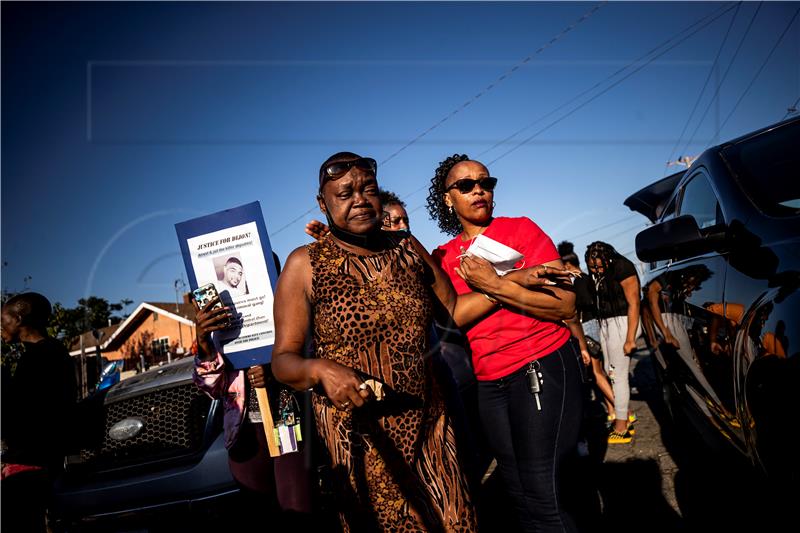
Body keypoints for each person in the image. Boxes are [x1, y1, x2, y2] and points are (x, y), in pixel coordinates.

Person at [272, 152, 477, 532]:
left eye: (368, 189)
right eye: (344, 194)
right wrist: (319, 369)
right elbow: (283, 360)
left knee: (457, 523)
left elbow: (453, 310)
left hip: (430, 424)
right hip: (363, 443)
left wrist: (512, 287)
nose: (360, 200)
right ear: (323, 203)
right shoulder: (305, 264)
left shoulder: (406, 247)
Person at [426, 154, 582, 532]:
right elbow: (453, 316)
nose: (478, 189)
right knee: (519, 497)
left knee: (544, 495)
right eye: (465, 185)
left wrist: (494, 283)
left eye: (486, 182)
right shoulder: (442, 257)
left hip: (541, 361)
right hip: (489, 383)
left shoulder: (521, 230)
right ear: (448, 198)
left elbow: (565, 303)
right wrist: (518, 281)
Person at [192, 253, 314, 526]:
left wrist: (275, 371)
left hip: (287, 426)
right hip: (245, 432)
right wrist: (203, 341)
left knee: (299, 512)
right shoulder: (218, 324)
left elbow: (314, 361)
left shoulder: (294, 310)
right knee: (258, 515)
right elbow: (212, 387)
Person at [1, 292, 77, 533]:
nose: (0, 326)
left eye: (3, 319)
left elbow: (18, 414)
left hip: (28, 469)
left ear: (19, 318)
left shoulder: (37, 359)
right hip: (45, 463)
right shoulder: (56, 352)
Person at [585, 241, 641, 444]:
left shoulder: (622, 266)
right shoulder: (599, 274)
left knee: (618, 376)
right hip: (607, 325)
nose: (596, 270)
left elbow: (634, 303)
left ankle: (621, 426)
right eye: (592, 267)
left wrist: (630, 338)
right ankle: (624, 415)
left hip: (623, 323)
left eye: (598, 266)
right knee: (610, 371)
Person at [558, 240, 616, 422]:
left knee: (597, 374)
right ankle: (613, 411)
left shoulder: (578, 283)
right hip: (600, 326)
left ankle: (623, 410)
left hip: (589, 329)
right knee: (603, 373)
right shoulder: (589, 279)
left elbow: (577, 310)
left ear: (567, 265)